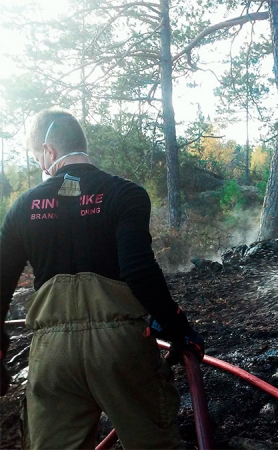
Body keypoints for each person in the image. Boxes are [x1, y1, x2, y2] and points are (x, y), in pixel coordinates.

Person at [0, 109, 204, 449]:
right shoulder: (125, 194)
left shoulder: (23, 207)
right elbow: (138, 270)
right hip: (121, 350)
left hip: (52, 356)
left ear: (49, 151)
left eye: (38, 156)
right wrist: (178, 327)